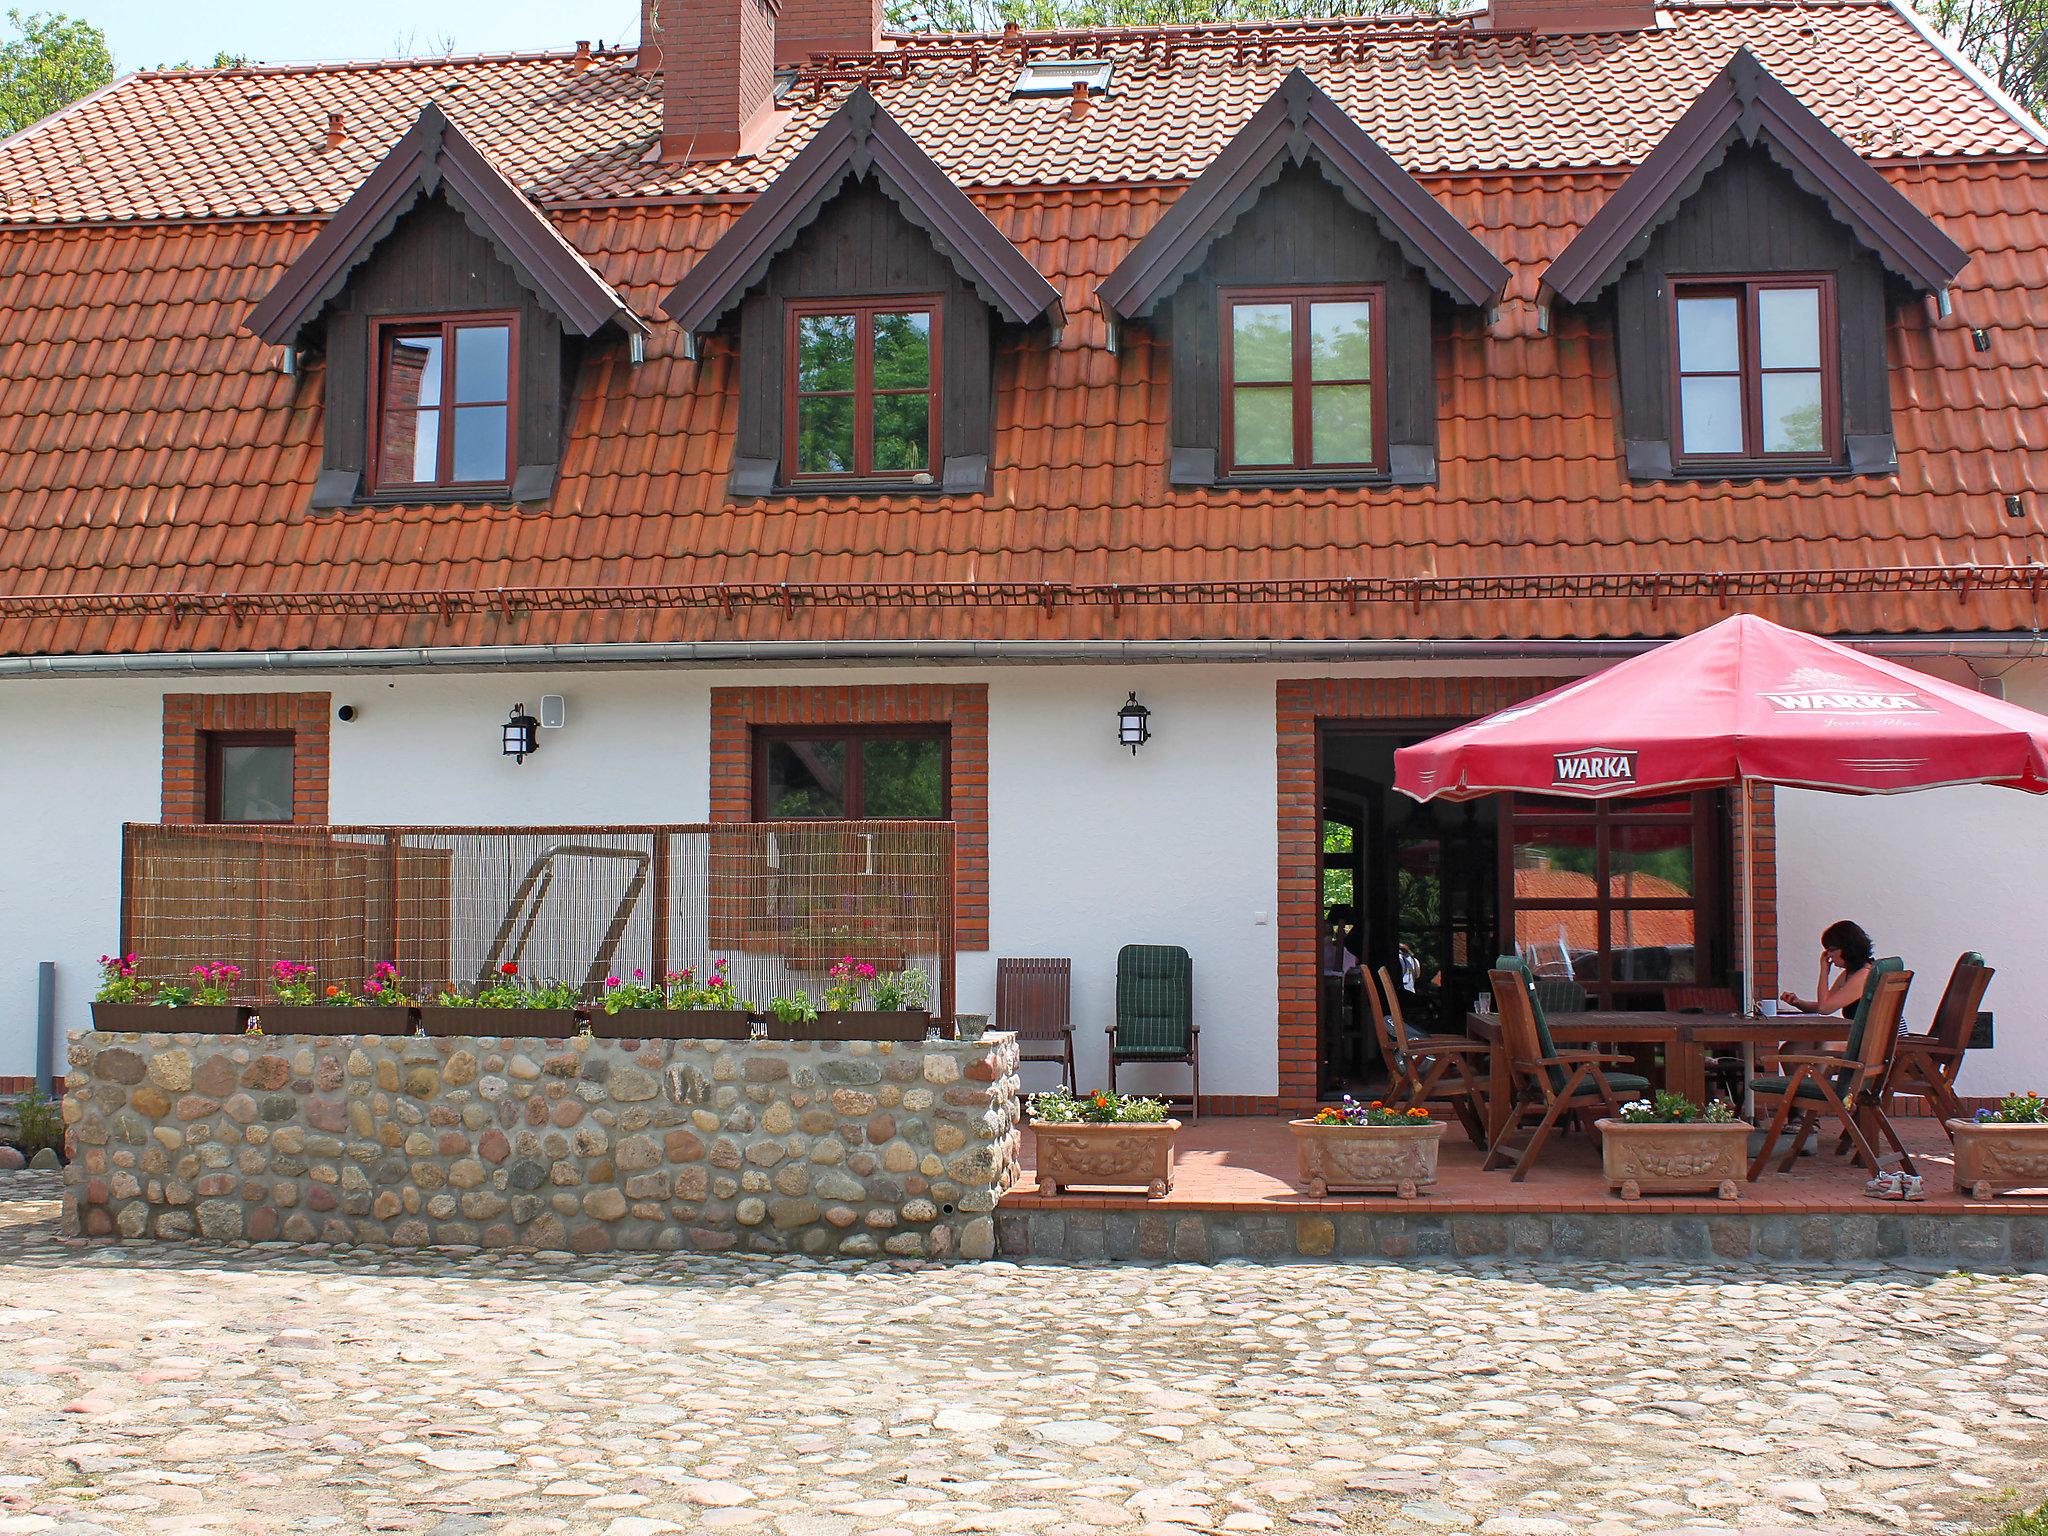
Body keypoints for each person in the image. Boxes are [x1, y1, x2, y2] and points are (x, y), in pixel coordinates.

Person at [1779, 919, 1875, 1017]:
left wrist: (1824, 971)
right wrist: (1798, 1003)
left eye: (1831, 950)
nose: (1828, 955)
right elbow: (1826, 1002)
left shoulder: (1863, 975)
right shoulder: (1851, 972)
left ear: (1847, 949)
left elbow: (1824, 1008)